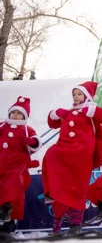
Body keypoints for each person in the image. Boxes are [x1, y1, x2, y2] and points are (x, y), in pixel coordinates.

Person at [42, 81, 102, 235]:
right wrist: (54, 113)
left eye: (79, 94)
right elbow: (52, 124)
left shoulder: (90, 111)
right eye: (74, 94)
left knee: (77, 191)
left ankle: (75, 227)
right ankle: (54, 218)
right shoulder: (68, 112)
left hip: (82, 155)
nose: (75, 97)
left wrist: (94, 111)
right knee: (50, 153)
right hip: (65, 150)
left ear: (87, 96)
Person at [0, 97, 41, 228]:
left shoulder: (26, 129)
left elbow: (36, 143)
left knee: (13, 184)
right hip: (1, 163)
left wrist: (32, 142)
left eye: (19, 113)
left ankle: (7, 213)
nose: (15, 115)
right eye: (13, 112)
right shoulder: (2, 125)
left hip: (17, 166)